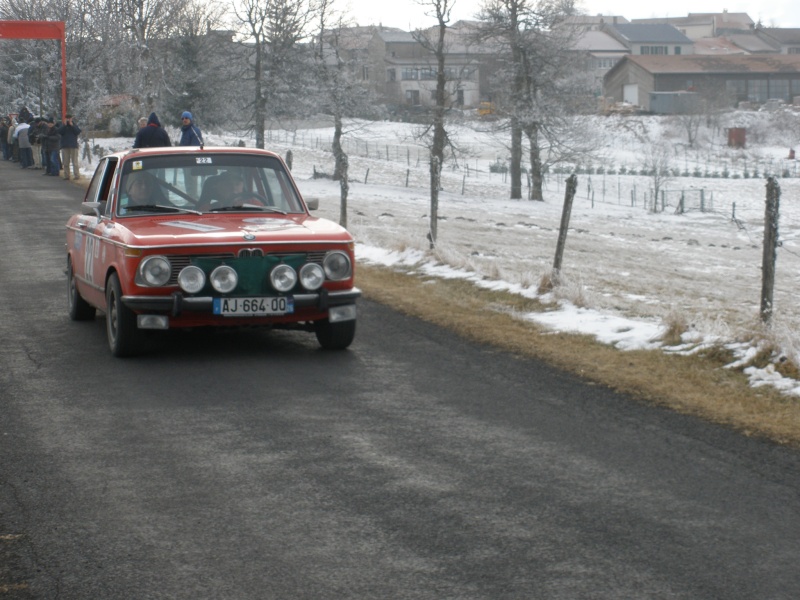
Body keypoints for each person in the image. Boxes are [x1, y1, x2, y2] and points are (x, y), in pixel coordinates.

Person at [58, 113, 81, 180]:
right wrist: (64, 125)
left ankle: (76, 175)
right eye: (67, 118)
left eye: (69, 118)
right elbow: (59, 132)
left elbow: (78, 132)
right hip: (65, 146)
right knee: (65, 162)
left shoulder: (74, 125)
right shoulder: (63, 126)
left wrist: (72, 125)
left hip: (73, 145)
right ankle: (66, 175)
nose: (68, 120)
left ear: (71, 119)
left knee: (75, 162)